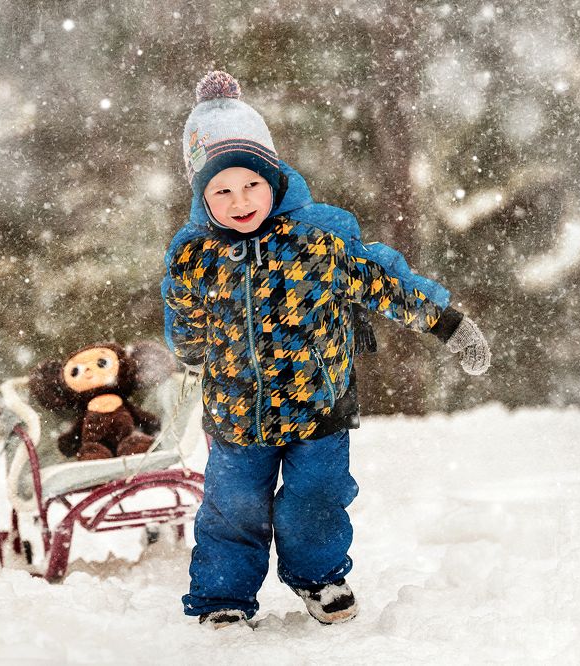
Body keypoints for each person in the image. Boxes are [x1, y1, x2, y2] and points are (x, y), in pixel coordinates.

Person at [161, 71, 490, 629]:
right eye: (222, 191)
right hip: (236, 411)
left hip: (317, 401)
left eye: (251, 184)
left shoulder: (319, 238)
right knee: (232, 506)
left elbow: (386, 282)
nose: (240, 201)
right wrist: (191, 351)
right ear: (201, 195)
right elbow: (184, 313)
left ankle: (319, 577)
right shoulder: (194, 253)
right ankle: (223, 597)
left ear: (275, 177)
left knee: (315, 497)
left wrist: (446, 323)